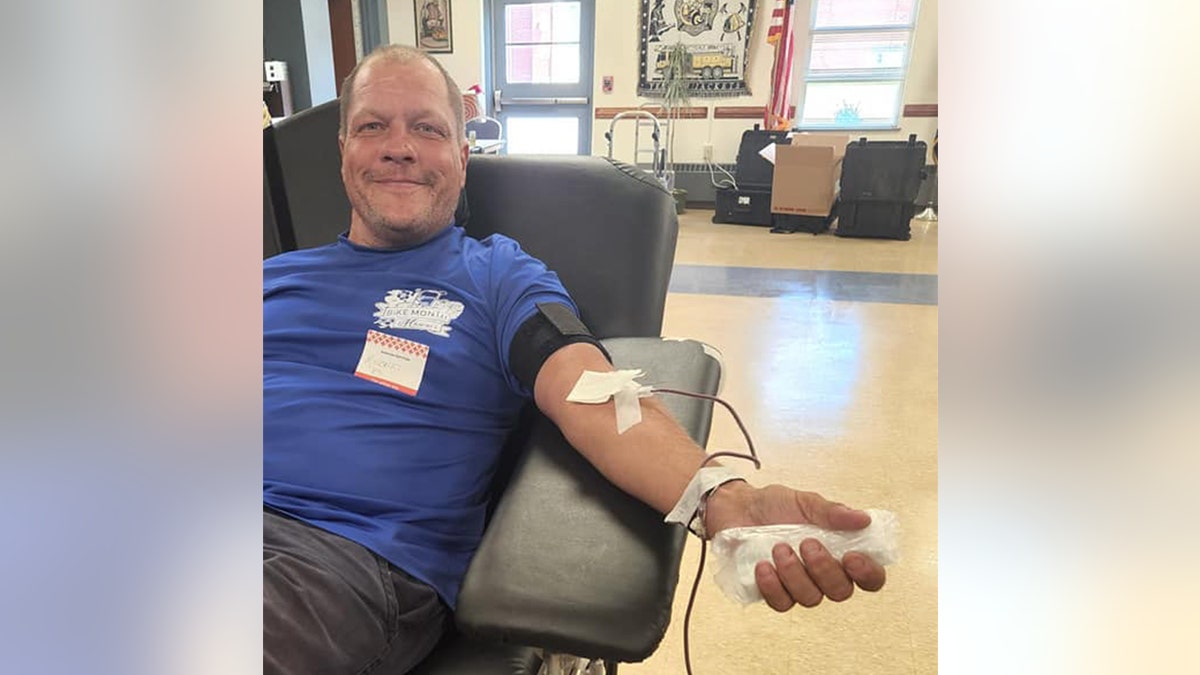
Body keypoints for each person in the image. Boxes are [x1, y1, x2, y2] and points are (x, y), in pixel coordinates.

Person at [264, 44, 886, 675]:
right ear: (343, 149)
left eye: (427, 128)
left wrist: (722, 496)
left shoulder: (497, 276)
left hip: (334, 559)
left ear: (462, 155)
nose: (399, 146)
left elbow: (591, 391)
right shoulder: (268, 281)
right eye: (373, 126)